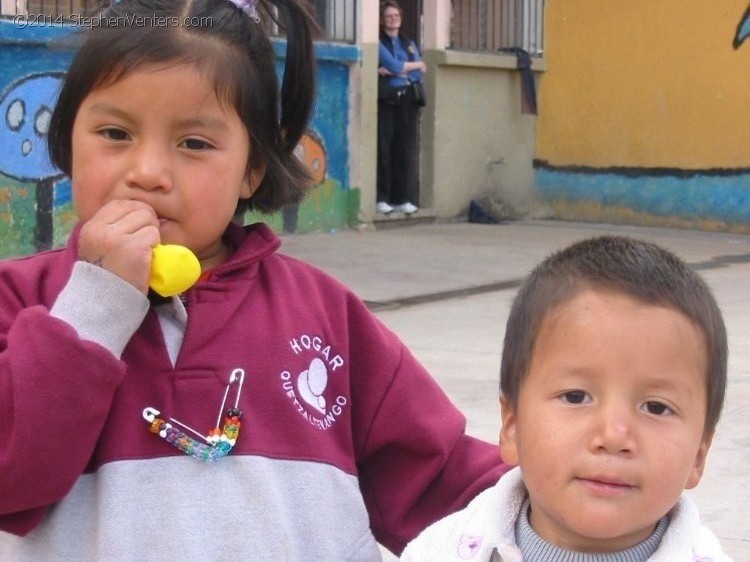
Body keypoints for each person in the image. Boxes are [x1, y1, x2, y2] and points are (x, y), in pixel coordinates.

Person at [0, 0, 509, 559]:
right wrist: (94, 307)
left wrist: (556, 509)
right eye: (115, 133)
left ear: (252, 169)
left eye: (194, 143)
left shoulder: (325, 315)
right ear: (69, 143)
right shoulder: (23, 300)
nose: (146, 172)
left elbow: (446, 482)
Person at [402, 236, 733, 561]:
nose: (614, 436)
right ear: (512, 426)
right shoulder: (441, 551)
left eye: (656, 407)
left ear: (698, 455)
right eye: (576, 397)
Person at [376, 0, 425, 215]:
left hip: (407, 100)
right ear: (381, 20)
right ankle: (382, 198)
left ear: (401, 19)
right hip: (388, 100)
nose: (393, 20)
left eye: (396, 16)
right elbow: (397, 65)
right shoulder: (378, 42)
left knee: (404, 149)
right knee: (385, 149)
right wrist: (404, 68)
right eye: (388, 16)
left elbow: (419, 71)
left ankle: (402, 198)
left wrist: (398, 70)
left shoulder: (409, 43)